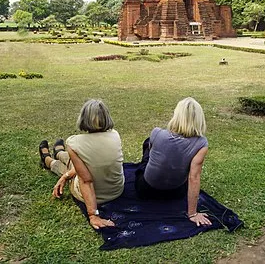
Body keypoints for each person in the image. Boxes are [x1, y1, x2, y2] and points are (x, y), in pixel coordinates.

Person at [39, 98, 124, 229]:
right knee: (78, 161)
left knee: (72, 164)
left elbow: (86, 180)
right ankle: (58, 152)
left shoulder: (74, 142)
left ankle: (48, 159)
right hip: (116, 190)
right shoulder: (115, 135)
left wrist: (93, 215)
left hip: (93, 195)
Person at [135, 97, 212, 227]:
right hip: (176, 193)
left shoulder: (157, 133)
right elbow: (194, 177)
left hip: (145, 190)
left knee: (148, 144)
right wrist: (192, 213)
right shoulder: (201, 144)